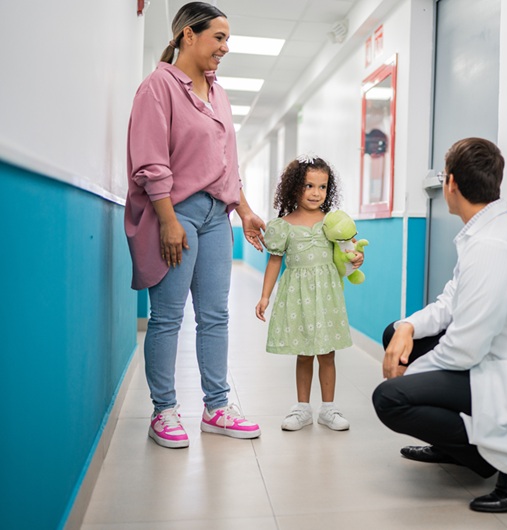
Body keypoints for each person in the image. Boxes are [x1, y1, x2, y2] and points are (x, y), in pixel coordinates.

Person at [372, 137, 507, 512]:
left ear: (450, 183)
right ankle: (457, 449)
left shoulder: (493, 245)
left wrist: (409, 375)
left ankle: (503, 465)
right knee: (394, 335)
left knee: (390, 398)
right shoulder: (483, 231)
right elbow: (451, 301)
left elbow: (467, 346)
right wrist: (406, 327)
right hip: (496, 355)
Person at [125, 2, 264, 449]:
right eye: (218, 37)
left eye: (227, 39)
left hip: (216, 216)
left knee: (215, 315)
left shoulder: (218, 92)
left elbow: (226, 163)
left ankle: (216, 407)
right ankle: (164, 411)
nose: (226, 47)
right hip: (177, 212)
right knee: (167, 317)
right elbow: (150, 161)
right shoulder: (158, 86)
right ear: (188, 34)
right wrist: (166, 220)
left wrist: (244, 211)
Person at [255, 155, 362, 431]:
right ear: (294, 187)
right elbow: (275, 261)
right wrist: (265, 296)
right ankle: (302, 408)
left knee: (327, 352)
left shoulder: (332, 223)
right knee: (303, 352)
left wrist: (356, 259)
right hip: (298, 297)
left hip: (327, 296)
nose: (316, 193)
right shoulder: (283, 225)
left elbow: (347, 254)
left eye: (322, 187)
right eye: (309, 186)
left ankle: (329, 408)